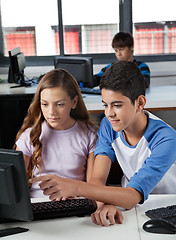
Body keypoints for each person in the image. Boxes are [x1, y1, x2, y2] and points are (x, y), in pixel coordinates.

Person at [31, 61, 176, 227]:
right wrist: (106, 203)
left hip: (165, 207)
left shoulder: (166, 138)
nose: (109, 113)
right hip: (128, 206)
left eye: (117, 105)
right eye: (105, 105)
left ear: (140, 103)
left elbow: (132, 196)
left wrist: (74, 187)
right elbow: (97, 179)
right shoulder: (109, 125)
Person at [14, 68, 98, 198]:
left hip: (76, 203)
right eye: (45, 104)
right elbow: (15, 185)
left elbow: (94, 185)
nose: (51, 112)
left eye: (59, 104)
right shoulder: (29, 136)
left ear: (74, 102)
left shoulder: (89, 134)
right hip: (38, 205)